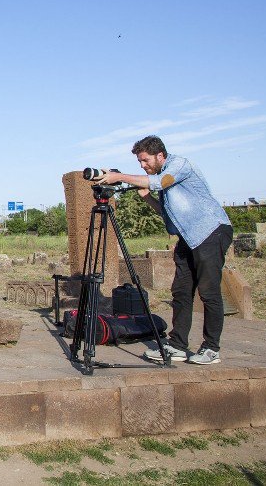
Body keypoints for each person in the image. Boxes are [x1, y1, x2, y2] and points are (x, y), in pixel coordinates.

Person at [99, 136, 232, 366]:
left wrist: (119, 176)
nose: (143, 165)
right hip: (188, 238)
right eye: (140, 162)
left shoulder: (179, 166)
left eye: (145, 160)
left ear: (160, 155)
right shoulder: (162, 182)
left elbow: (160, 181)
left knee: (209, 293)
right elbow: (167, 215)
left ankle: (211, 348)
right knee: (181, 292)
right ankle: (178, 345)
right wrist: (147, 197)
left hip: (211, 232)